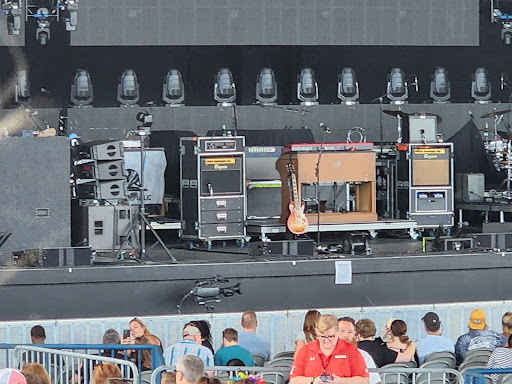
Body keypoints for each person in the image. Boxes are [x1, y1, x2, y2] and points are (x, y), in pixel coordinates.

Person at [289, 314, 369, 384]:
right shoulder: (306, 350)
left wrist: (341, 381)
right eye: (322, 337)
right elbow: (294, 379)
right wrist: (313, 380)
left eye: (331, 337)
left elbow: (364, 380)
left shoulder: (350, 350)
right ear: (317, 334)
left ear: (337, 332)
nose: (326, 341)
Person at [338, 317, 381, 384]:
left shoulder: (364, 355)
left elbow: (376, 381)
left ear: (355, 335)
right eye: (342, 331)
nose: (346, 335)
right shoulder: (325, 354)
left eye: (350, 332)